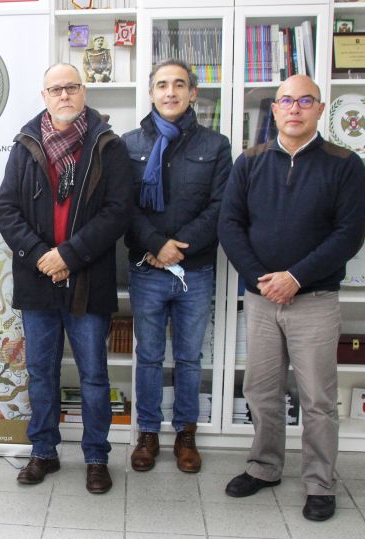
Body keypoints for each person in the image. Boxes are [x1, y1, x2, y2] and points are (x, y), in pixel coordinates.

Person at [218, 74, 365, 522]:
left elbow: (348, 235)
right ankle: (264, 467)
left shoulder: (345, 164)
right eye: (286, 101)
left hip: (315, 300)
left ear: (320, 109)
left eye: (306, 101)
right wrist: (261, 278)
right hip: (261, 298)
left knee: (317, 398)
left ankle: (320, 483)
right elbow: (230, 225)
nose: (295, 109)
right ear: (275, 109)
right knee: (261, 390)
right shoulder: (250, 162)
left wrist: (296, 277)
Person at [0, 63, 132, 494]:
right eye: (56, 89)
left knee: (94, 375)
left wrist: (69, 256)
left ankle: (96, 457)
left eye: (71, 87)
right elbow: (5, 209)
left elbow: (118, 212)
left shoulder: (108, 146)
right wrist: (42, 256)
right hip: (37, 280)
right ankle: (43, 452)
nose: (64, 95)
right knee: (40, 373)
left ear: (84, 91)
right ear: (44, 96)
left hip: (88, 279)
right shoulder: (25, 145)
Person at [122, 59, 232, 473]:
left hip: (195, 270)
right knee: (149, 356)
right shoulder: (129, 144)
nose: (170, 92)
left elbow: (220, 207)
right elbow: (123, 206)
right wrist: (156, 245)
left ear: (193, 93)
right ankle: (148, 433)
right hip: (146, 268)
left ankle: (186, 433)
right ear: (151, 93)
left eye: (179, 85)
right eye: (162, 85)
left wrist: (176, 248)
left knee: (189, 357)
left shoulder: (215, 146)